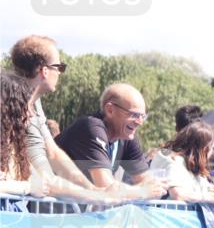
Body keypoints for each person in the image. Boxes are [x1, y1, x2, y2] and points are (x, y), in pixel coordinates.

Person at [10, 35, 129, 203]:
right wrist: (97, 196)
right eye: (60, 67)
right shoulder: (15, 109)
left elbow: (53, 152)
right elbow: (45, 180)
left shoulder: (35, 104)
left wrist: (92, 189)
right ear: (44, 71)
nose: (60, 73)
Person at [55, 83, 166, 199]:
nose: (140, 122)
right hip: (51, 207)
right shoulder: (90, 127)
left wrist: (152, 187)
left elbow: (147, 181)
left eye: (143, 116)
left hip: (79, 207)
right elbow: (106, 186)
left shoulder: (126, 135)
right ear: (110, 110)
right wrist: (141, 191)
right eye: (134, 115)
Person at [149, 121, 214, 205]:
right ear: (204, 149)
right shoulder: (173, 159)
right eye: (213, 148)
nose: (212, 152)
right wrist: (209, 197)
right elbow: (178, 194)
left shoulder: (190, 164)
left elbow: (202, 189)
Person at [0, 73, 48, 198]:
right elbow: (32, 185)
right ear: (10, 109)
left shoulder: (16, 148)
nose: (30, 113)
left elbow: (40, 183)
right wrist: (27, 187)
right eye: (25, 106)